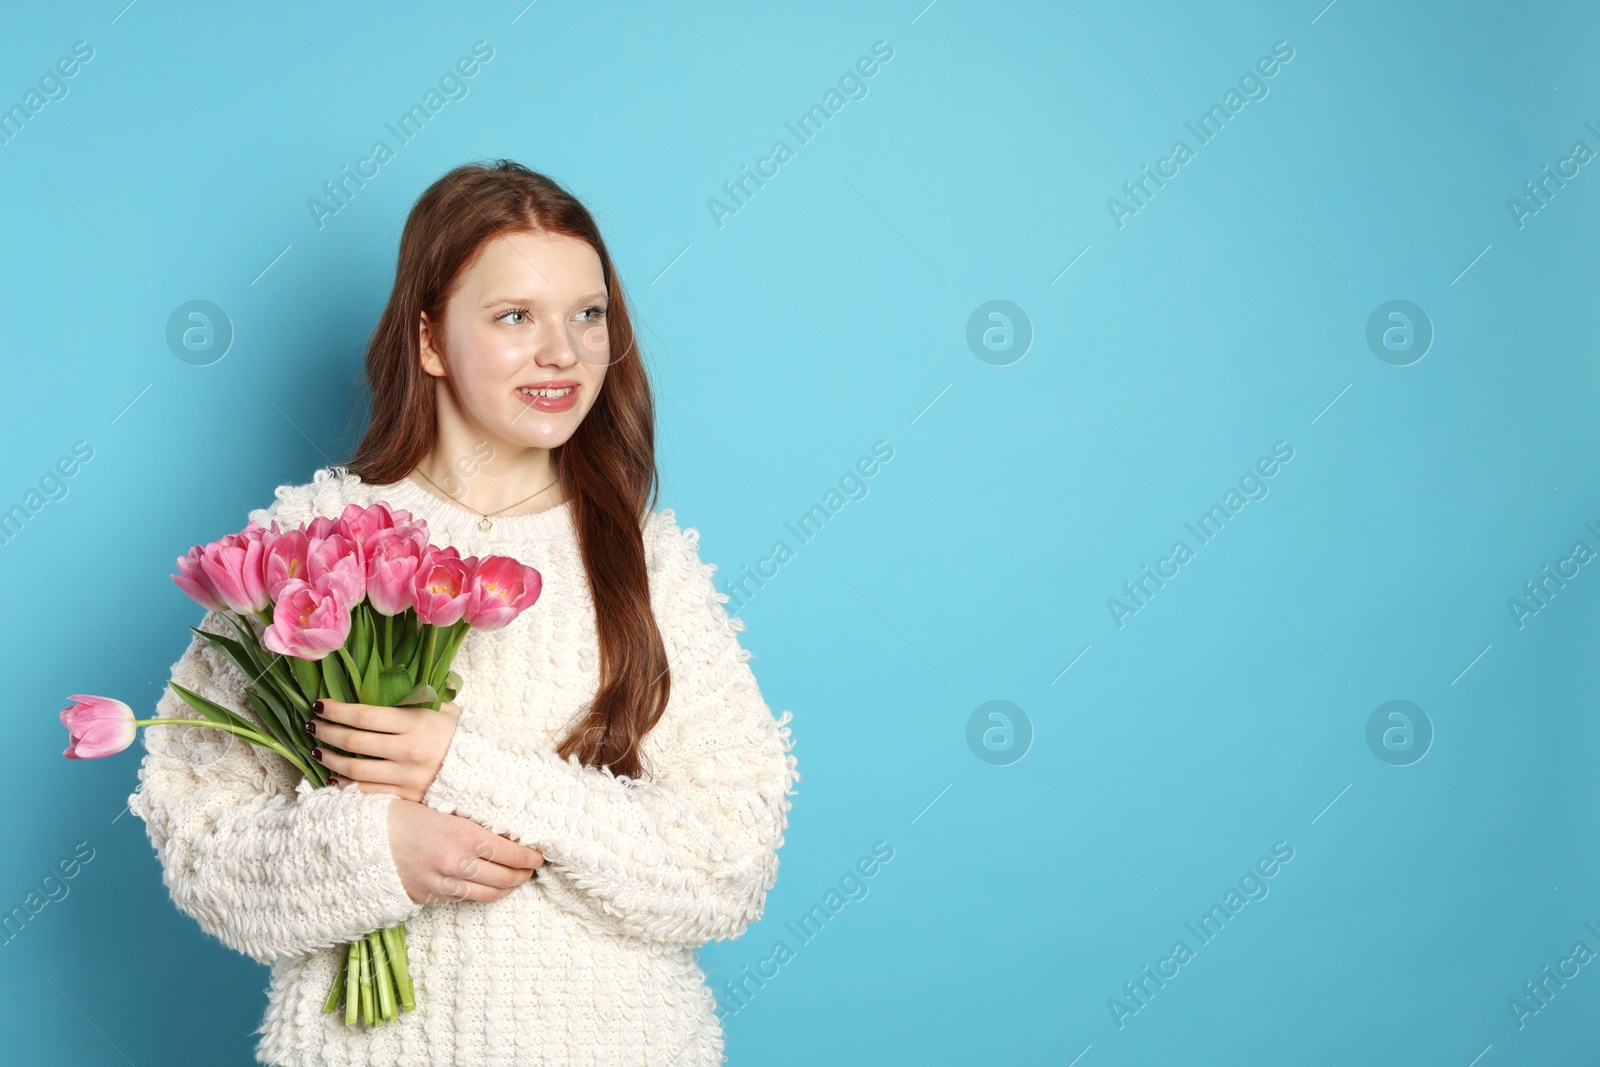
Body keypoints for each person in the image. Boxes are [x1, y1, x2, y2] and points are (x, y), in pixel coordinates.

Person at [126, 159, 800, 1066]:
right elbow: (199, 841)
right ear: (431, 338)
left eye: (588, 315)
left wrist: (462, 766)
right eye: (515, 315)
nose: (562, 352)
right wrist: (376, 853)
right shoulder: (305, 546)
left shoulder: (650, 563)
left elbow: (728, 868)